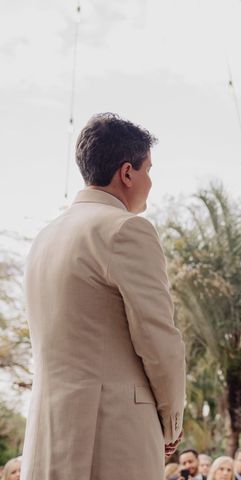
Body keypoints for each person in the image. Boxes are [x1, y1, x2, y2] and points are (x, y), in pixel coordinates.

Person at [21, 113, 186, 479]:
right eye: (148, 169)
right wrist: (171, 423)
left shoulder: (44, 238)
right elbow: (159, 341)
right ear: (127, 173)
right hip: (112, 436)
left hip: (46, 437)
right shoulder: (127, 229)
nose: (150, 181)